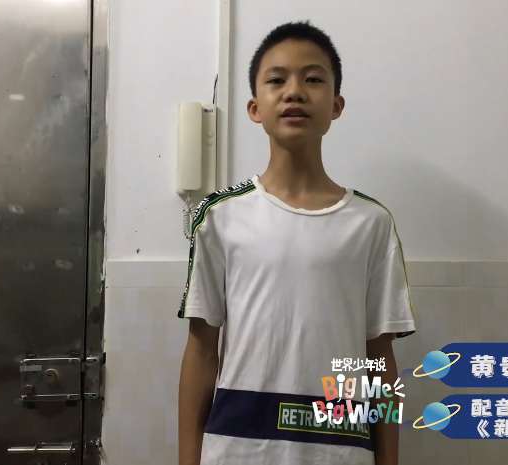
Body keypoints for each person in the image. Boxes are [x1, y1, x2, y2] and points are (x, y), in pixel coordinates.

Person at [177, 20, 416, 465]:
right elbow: (202, 350)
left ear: (336, 105)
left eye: (313, 79)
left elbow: (379, 360)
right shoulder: (219, 216)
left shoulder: (372, 224)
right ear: (254, 108)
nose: (294, 92)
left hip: (339, 452)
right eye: (277, 80)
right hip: (236, 451)